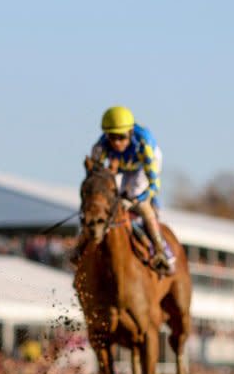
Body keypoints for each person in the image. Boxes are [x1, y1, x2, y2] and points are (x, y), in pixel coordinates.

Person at [73, 106, 172, 273]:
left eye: (121, 137)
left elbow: (154, 185)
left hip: (143, 167)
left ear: (131, 132)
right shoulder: (100, 147)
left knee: (137, 199)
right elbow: (95, 178)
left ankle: (160, 251)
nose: (116, 142)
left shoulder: (144, 144)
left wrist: (137, 200)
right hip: (122, 167)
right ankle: (79, 248)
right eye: (112, 137)